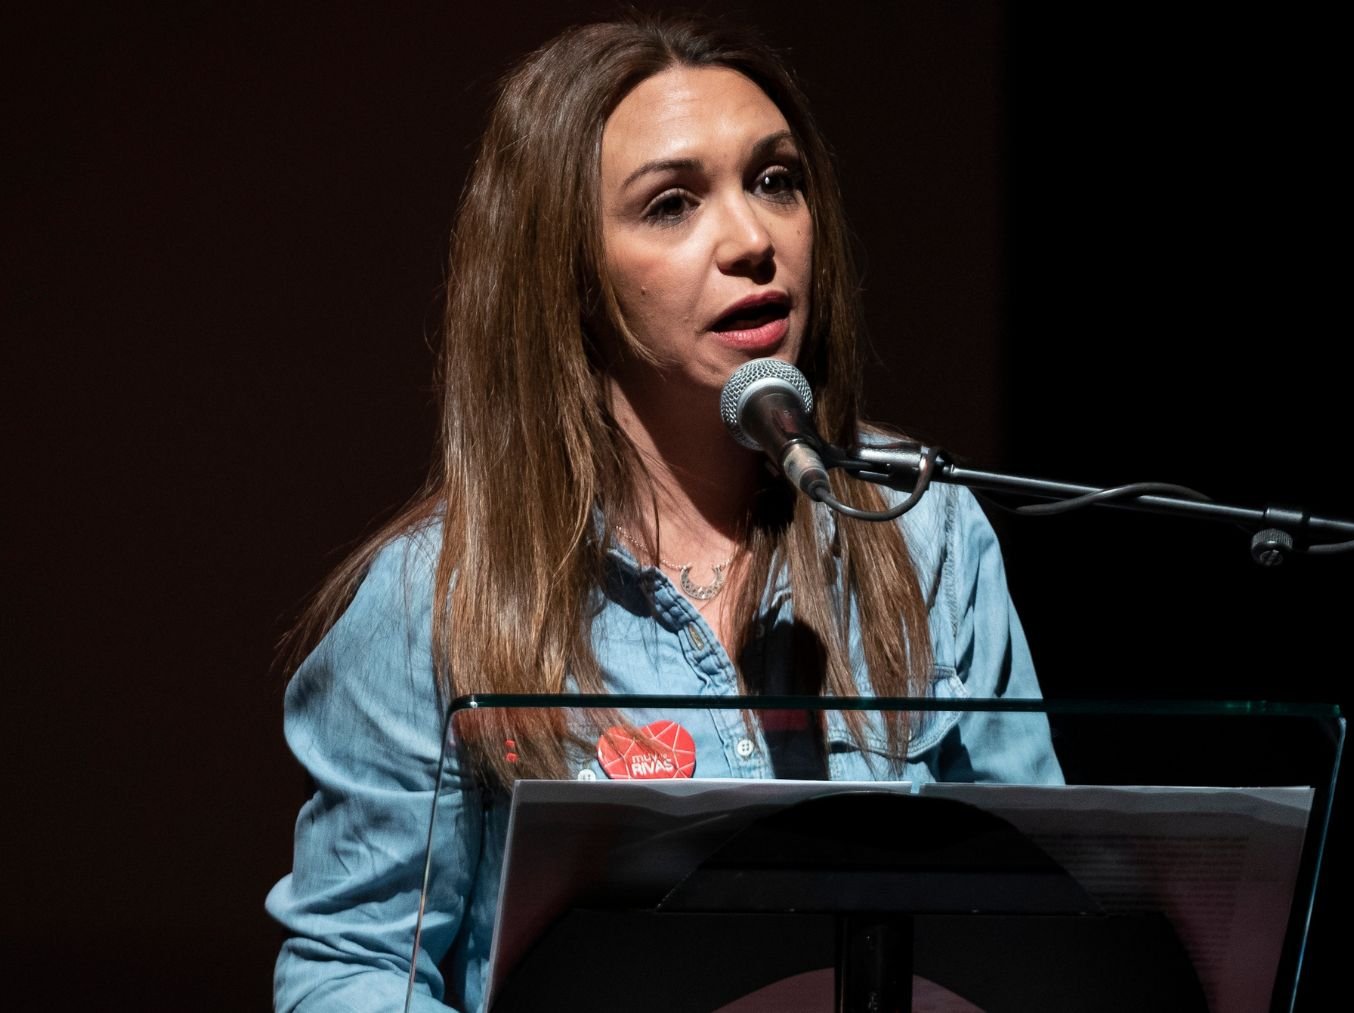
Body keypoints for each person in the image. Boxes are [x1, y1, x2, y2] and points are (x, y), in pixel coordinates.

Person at [266, 14, 1061, 1011]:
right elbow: (350, 970)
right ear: (569, 277)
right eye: (672, 204)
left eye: (776, 180)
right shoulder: (435, 598)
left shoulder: (922, 526)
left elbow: (1051, 919)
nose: (752, 239)